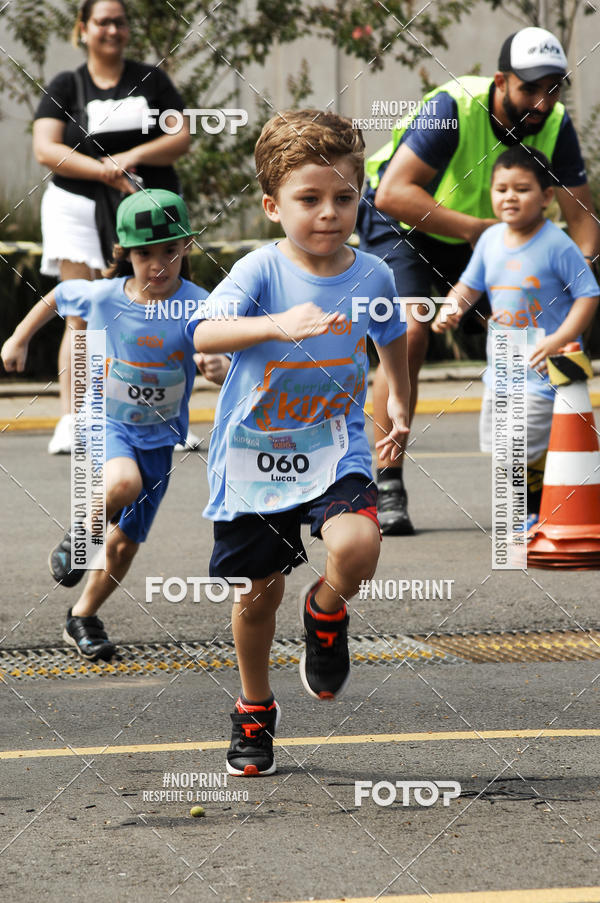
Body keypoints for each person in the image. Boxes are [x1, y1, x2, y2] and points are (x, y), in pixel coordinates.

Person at [189, 110, 411, 776]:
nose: (329, 213)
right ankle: (254, 705)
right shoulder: (260, 270)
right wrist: (275, 324)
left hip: (334, 445)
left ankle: (326, 610)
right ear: (272, 204)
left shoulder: (373, 274)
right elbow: (200, 333)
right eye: (309, 199)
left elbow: (390, 337)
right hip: (255, 455)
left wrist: (397, 396)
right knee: (258, 593)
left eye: (345, 197)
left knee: (358, 545)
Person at [357, 26, 600, 535]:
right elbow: (394, 195)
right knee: (411, 331)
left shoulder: (554, 122)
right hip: (407, 224)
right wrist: (479, 232)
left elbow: (582, 221)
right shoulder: (453, 108)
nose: (541, 100)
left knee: (527, 328)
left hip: (489, 236)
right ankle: (387, 480)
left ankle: (533, 490)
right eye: (529, 88)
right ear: (500, 81)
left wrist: (565, 288)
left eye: (553, 87)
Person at [1, 190, 208, 662]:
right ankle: (80, 537)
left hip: (161, 438)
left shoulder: (199, 303)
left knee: (125, 546)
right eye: (144, 254)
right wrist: (18, 339)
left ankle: (82, 615)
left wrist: (215, 361)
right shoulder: (105, 295)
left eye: (169, 251)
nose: (158, 265)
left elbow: (223, 341)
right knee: (122, 482)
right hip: (107, 421)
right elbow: (57, 295)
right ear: (125, 254)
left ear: (187, 248)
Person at [33, 0, 195, 454]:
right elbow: (46, 148)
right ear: (83, 29)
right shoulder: (67, 84)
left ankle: (161, 418)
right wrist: (100, 170)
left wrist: (130, 159)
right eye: (102, 21)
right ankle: (73, 418)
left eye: (119, 21)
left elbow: (179, 136)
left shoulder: (152, 79)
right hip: (76, 206)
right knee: (81, 313)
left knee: (155, 307)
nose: (112, 29)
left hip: (143, 211)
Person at [432, 145, 600, 526]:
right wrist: (451, 309)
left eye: (521, 189)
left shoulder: (557, 244)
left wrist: (561, 338)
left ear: (545, 198)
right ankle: (537, 506)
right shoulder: (490, 240)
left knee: (516, 448)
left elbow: (588, 294)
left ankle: (527, 513)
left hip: (546, 373)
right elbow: (469, 286)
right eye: (501, 188)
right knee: (506, 448)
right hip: (502, 372)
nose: (509, 196)